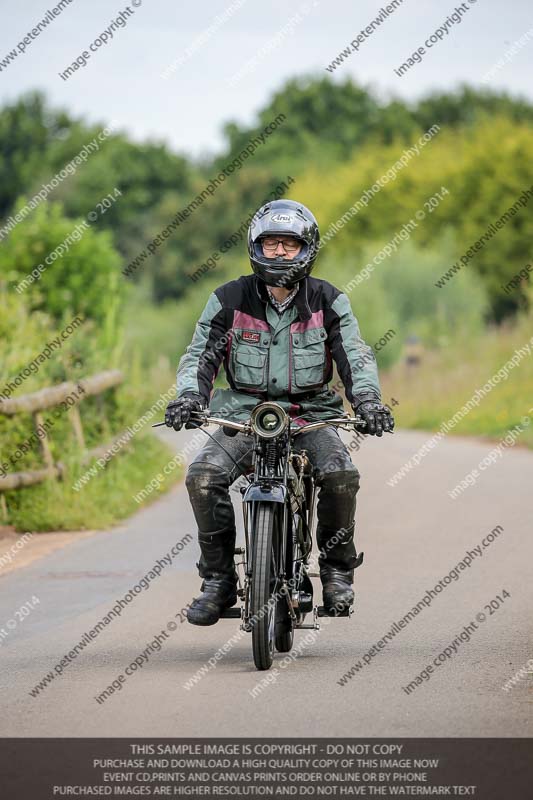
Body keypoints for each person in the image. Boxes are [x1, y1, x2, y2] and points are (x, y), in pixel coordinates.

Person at [165, 199, 394, 626]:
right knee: (202, 477)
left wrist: (368, 402)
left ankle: (335, 570)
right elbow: (200, 356)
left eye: (289, 244)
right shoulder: (228, 299)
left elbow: (356, 358)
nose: (279, 253)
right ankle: (217, 582)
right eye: (271, 243)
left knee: (341, 475)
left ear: (307, 248)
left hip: (310, 414)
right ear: (256, 246)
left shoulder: (329, 300)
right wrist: (189, 398)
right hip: (243, 417)